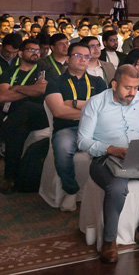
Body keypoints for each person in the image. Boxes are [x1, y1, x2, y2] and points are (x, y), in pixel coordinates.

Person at [77, 65, 139, 263]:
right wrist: (111, 149)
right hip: (105, 158)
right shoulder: (95, 103)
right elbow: (82, 141)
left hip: (138, 156)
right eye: (127, 88)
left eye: (136, 87)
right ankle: (109, 240)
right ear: (114, 85)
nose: (132, 93)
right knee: (117, 187)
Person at [45, 42, 107, 210]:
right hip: (68, 128)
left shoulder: (98, 82)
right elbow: (58, 111)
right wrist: (91, 109)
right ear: (68, 58)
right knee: (63, 147)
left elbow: (105, 110)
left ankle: (107, 189)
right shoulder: (56, 81)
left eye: (86, 56)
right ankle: (71, 190)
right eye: (78, 55)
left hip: (96, 129)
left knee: (119, 143)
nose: (83, 59)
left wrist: (74, 103)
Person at [0, 39, 48, 194]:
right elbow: (3, 96)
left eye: (37, 50)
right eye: (31, 50)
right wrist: (31, 89)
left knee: (28, 106)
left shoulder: (44, 70)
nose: (36, 53)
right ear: (20, 54)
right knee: (18, 132)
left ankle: (2, 134)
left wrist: (17, 88)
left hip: (40, 114)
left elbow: (41, 90)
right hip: (16, 117)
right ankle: (10, 178)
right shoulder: (10, 71)